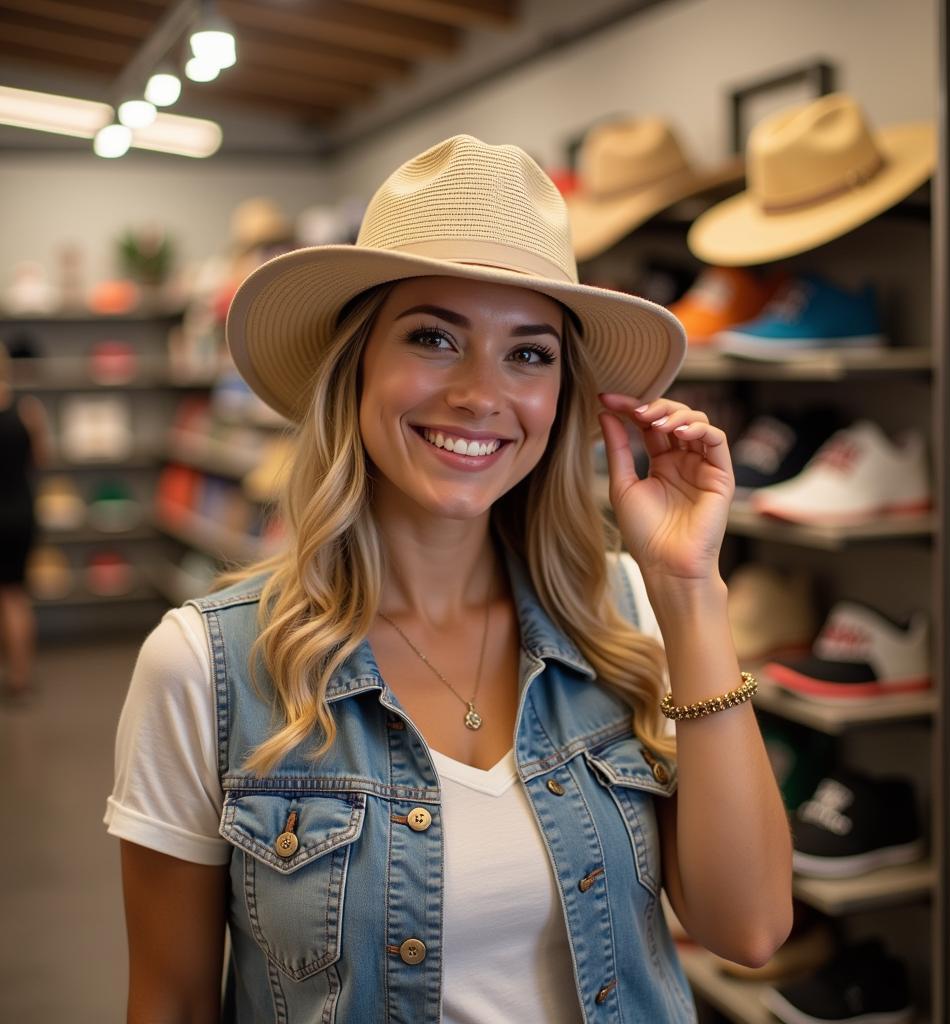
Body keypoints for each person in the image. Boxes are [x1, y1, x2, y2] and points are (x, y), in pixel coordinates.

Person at [104, 135, 792, 1023]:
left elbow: (750, 928)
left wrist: (690, 591)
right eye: (434, 337)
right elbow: (170, 999)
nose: (480, 393)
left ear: (564, 399)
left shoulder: (623, 615)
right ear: (354, 368)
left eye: (530, 353)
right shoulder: (208, 666)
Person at [0, 341, 49, 703]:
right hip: (21, 511)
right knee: (16, 594)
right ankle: (20, 677)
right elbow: (41, 458)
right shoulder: (28, 409)